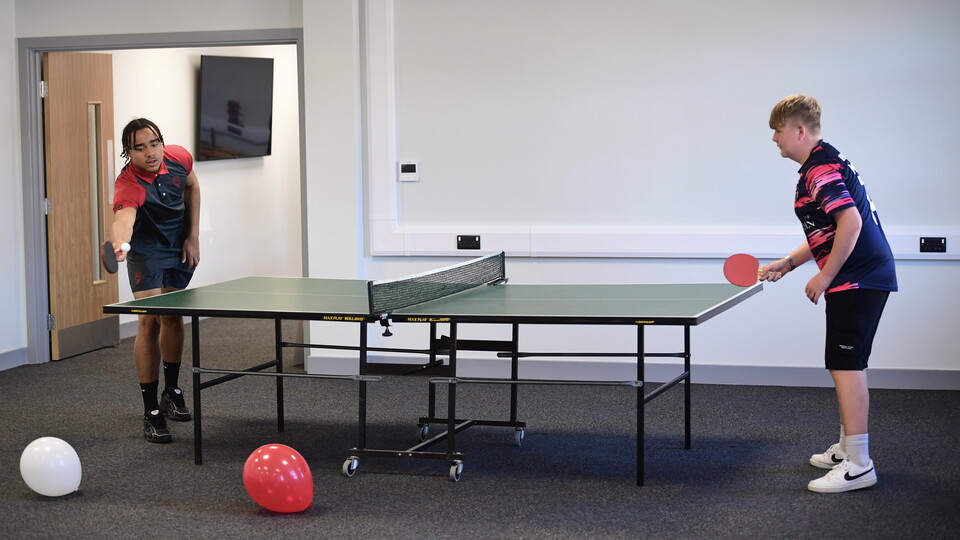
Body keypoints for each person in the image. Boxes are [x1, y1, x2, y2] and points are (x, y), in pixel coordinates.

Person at [760, 95, 897, 493]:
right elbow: (829, 230)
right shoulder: (824, 161)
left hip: (858, 277)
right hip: (862, 274)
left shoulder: (820, 169)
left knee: (846, 363)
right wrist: (787, 264)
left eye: (779, 130)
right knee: (844, 362)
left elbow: (851, 223)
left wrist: (826, 275)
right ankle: (847, 447)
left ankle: (859, 463)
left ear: (800, 131)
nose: (774, 138)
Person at [110, 118, 201, 443]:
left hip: (177, 243)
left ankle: (172, 391)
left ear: (163, 142)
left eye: (154, 143)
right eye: (140, 147)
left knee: (173, 318)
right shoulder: (129, 183)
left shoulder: (178, 158)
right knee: (149, 323)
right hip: (146, 252)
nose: (150, 152)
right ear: (128, 152)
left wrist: (193, 235)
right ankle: (151, 410)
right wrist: (119, 243)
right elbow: (124, 219)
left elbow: (192, 185)